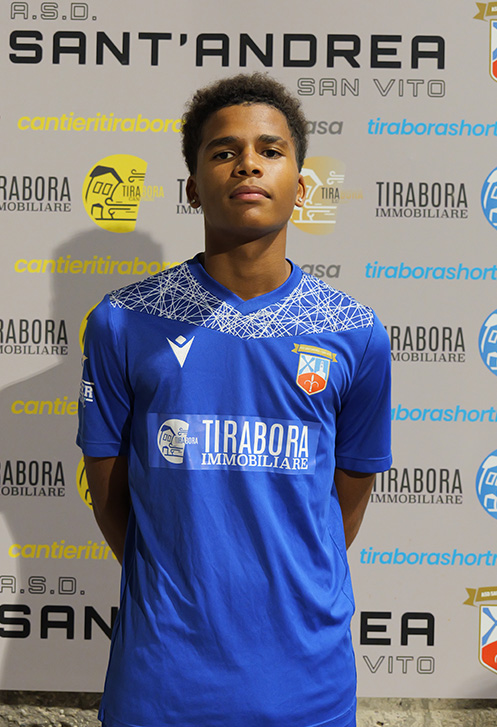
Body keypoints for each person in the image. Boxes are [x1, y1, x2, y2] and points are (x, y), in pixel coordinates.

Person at [77, 72, 392, 727]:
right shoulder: (123, 321)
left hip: (306, 685)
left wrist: (289, 581)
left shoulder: (354, 332)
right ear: (192, 187)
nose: (248, 163)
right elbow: (109, 495)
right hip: (161, 683)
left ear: (300, 186)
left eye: (270, 150)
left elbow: (346, 500)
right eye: (224, 151)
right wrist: (179, 584)